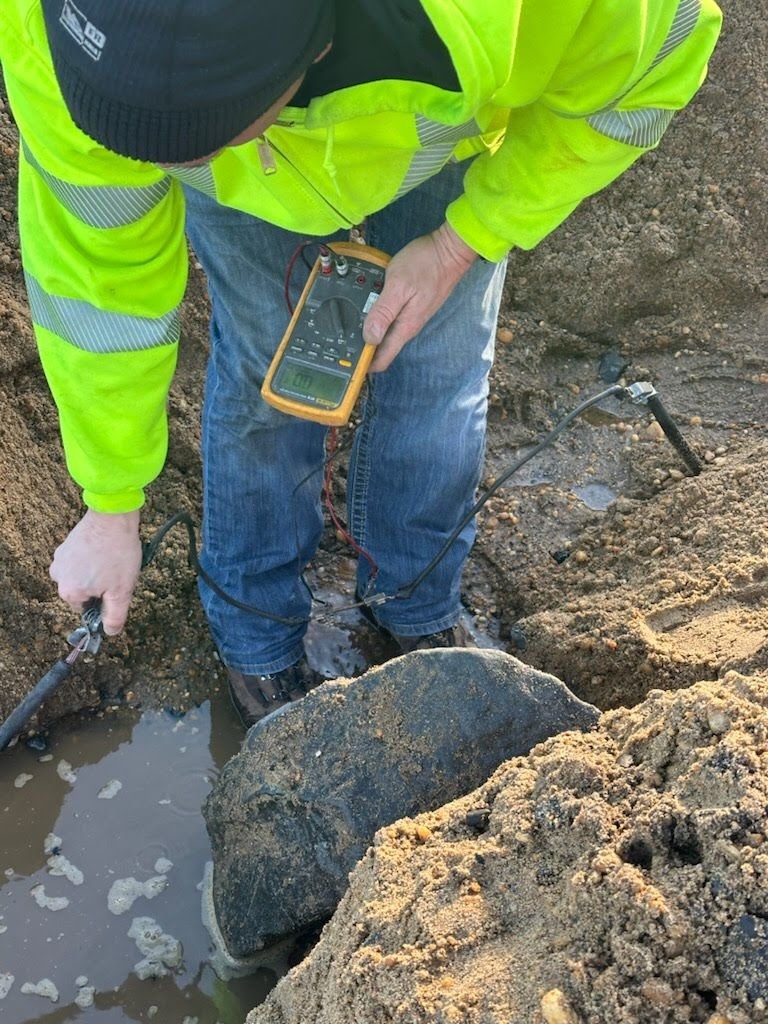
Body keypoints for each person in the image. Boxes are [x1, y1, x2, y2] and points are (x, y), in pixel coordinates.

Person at [1, 0, 721, 726]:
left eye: (195, 146)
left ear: (312, 53)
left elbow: (656, 61)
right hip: (242, 159)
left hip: (446, 132)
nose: (163, 170)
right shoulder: (52, 46)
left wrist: (462, 242)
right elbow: (99, 296)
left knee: (436, 368)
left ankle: (419, 607)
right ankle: (257, 642)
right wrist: (111, 500)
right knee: (267, 377)